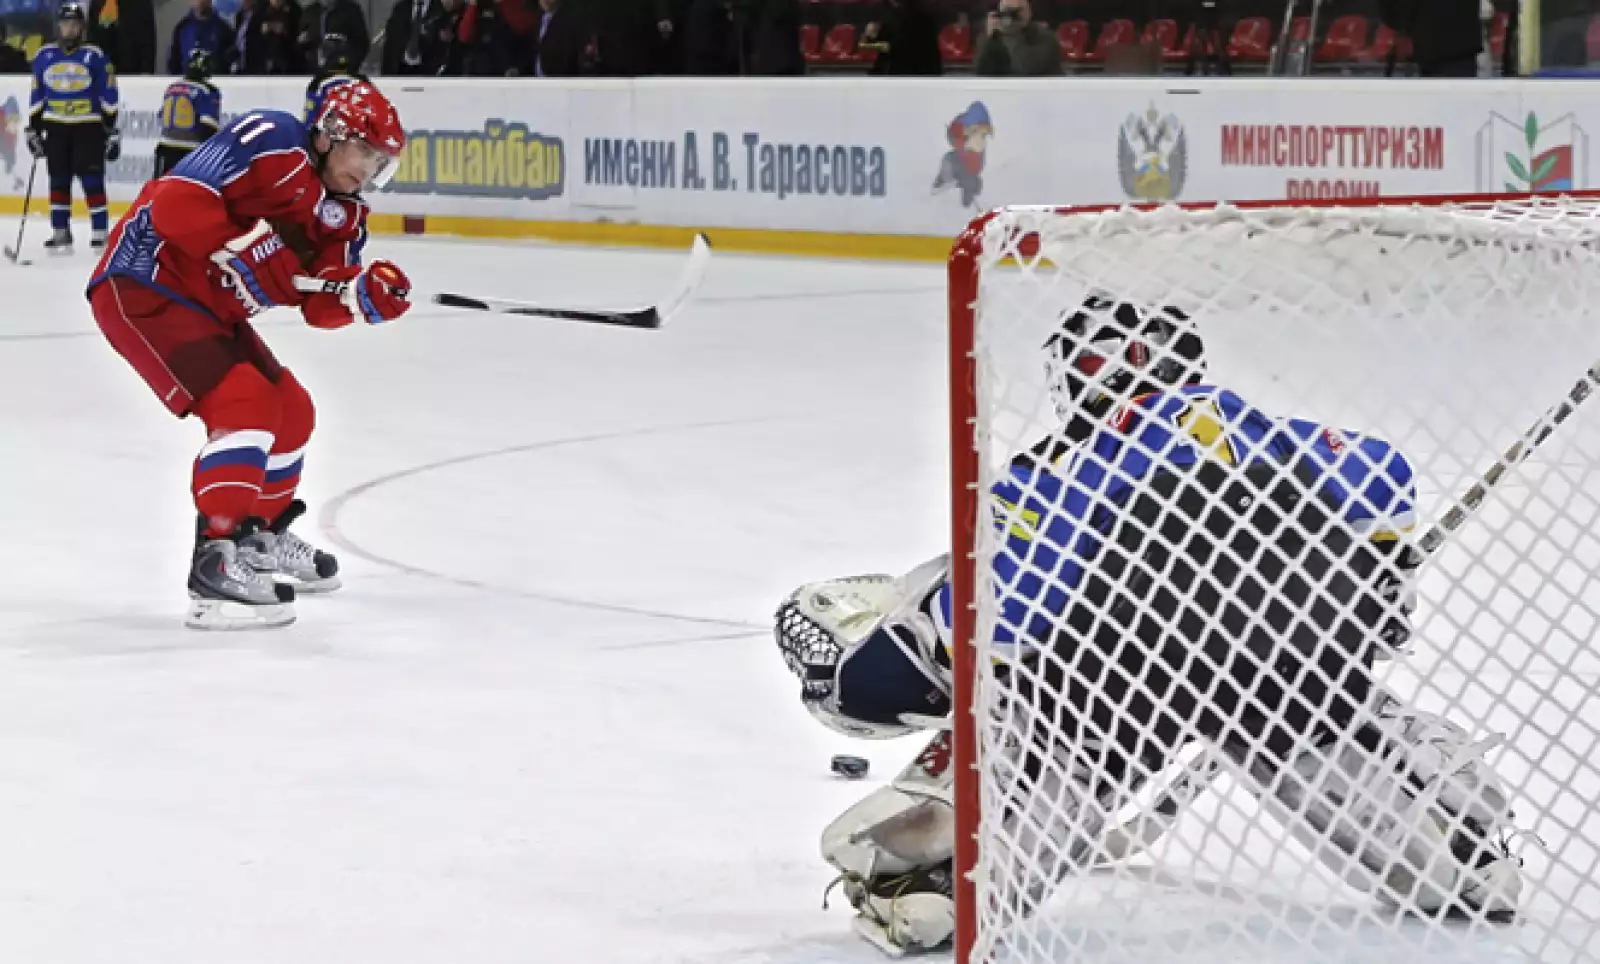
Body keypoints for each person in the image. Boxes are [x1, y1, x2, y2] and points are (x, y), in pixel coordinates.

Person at [773, 296, 1524, 955]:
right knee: (1445, 866)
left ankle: (942, 861)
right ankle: (1460, 838)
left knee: (950, 885)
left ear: (1072, 378)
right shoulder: (1273, 435)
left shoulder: (1041, 481)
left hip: (1103, 704)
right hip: (1283, 681)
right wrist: (1380, 580)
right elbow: (1383, 471)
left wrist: (896, 673)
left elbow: (1000, 628)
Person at [85, 81, 412, 631]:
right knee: (246, 404)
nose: (372, 170)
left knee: (292, 410)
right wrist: (248, 243)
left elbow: (318, 302)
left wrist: (359, 296)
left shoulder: (347, 216)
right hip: (144, 282)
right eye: (367, 153)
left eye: (383, 162)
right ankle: (215, 561)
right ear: (334, 134)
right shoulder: (272, 141)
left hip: (210, 307)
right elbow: (173, 202)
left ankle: (256, 540)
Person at [27, 2, 119, 254]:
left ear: (82, 28)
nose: (69, 29)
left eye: (74, 25)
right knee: (58, 179)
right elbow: (38, 94)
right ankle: (60, 231)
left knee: (91, 179)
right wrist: (33, 127)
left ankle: (100, 232)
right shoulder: (44, 56)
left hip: (87, 127)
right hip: (56, 127)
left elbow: (108, 93)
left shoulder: (95, 56)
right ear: (59, 26)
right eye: (66, 24)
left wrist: (111, 127)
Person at [153, 48, 220, 177]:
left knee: (160, 191)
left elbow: (161, 117)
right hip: (190, 151)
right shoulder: (206, 91)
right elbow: (209, 126)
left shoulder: (171, 88)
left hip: (165, 147)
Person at [974, 0, 1059, 76]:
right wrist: (991, 39)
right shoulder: (991, 36)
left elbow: (1026, 70)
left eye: (1019, 10)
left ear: (1029, 12)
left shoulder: (1045, 37)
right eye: (1007, 10)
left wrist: (1013, 34)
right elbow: (981, 71)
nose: (1012, 16)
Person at [304, 33, 370, 123]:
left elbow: (309, 121)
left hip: (329, 132)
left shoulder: (318, 83)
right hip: (357, 134)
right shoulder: (363, 82)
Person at [167, 0, 233, 75]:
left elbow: (230, 63)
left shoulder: (223, 29)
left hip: (215, 83)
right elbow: (174, 63)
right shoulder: (182, 27)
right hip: (187, 83)